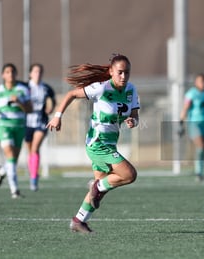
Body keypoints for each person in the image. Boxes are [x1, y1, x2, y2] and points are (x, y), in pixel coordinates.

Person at [46, 53, 140, 233]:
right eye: (119, 72)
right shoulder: (101, 88)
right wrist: (57, 117)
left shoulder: (131, 90)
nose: (123, 76)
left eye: (126, 73)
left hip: (110, 144)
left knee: (102, 188)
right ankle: (95, 186)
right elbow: (72, 94)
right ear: (111, 72)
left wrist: (132, 122)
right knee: (129, 174)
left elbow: (135, 116)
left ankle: (78, 221)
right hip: (97, 143)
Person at [0, 63, 33, 198]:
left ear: (16, 74)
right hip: (4, 126)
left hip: (19, 126)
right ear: (3, 75)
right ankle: (14, 190)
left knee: (13, 159)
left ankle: (2, 171)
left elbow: (30, 110)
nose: (10, 74)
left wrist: (19, 102)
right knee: (9, 155)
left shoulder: (22, 90)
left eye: (13, 72)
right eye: (7, 72)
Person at [25, 63, 56, 191]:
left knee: (35, 148)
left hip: (41, 121)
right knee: (31, 151)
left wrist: (51, 108)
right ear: (30, 74)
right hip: (26, 122)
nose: (38, 74)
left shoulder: (46, 88)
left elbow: (52, 101)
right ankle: (34, 172)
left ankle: (33, 178)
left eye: (40, 72)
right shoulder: (25, 87)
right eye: (35, 71)